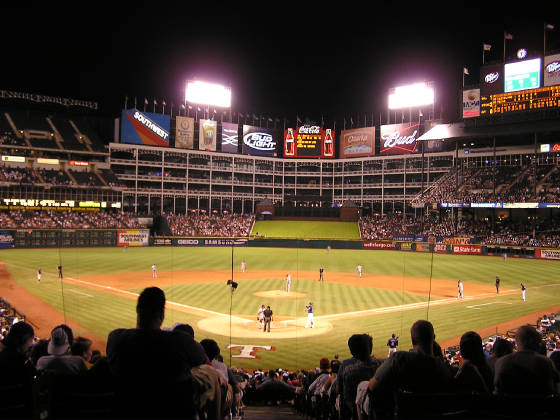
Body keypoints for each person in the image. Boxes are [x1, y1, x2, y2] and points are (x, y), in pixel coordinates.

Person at [106, 286, 206, 419]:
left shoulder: (116, 338)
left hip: (128, 412)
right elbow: (200, 358)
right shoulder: (180, 341)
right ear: (161, 315)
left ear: (138, 311)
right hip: (173, 412)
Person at [367, 320, 454, 418]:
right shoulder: (446, 369)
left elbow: (372, 387)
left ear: (412, 340)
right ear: (433, 338)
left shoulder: (398, 360)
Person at [494, 325, 558, 395]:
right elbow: (555, 389)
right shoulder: (545, 362)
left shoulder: (502, 361)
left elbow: (498, 392)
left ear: (517, 342)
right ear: (536, 342)